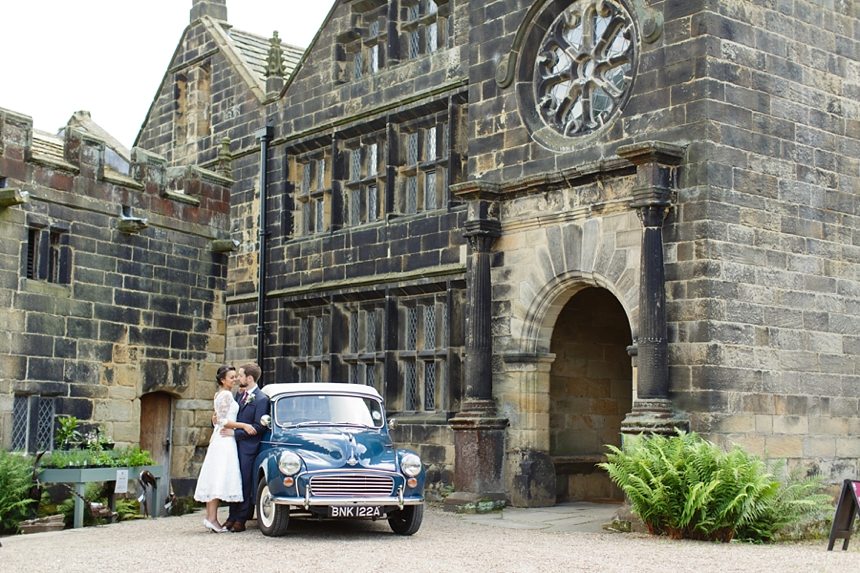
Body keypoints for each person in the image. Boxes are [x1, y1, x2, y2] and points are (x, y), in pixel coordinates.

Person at [193, 365, 256, 533]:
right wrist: (244, 425)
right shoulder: (227, 394)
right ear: (223, 380)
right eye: (231, 377)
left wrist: (216, 421)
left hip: (224, 438)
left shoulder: (222, 394)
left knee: (216, 477)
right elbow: (222, 420)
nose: (235, 379)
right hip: (224, 440)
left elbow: (217, 419)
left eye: (236, 376)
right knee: (218, 476)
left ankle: (211, 517)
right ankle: (211, 518)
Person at [222, 362, 269, 533]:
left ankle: (241, 519)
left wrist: (236, 434)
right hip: (233, 445)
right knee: (234, 480)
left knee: (244, 482)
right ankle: (231, 515)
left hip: (248, 447)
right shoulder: (239, 395)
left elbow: (259, 427)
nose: (237, 378)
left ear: (249, 378)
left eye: (240, 375)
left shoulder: (262, 399)